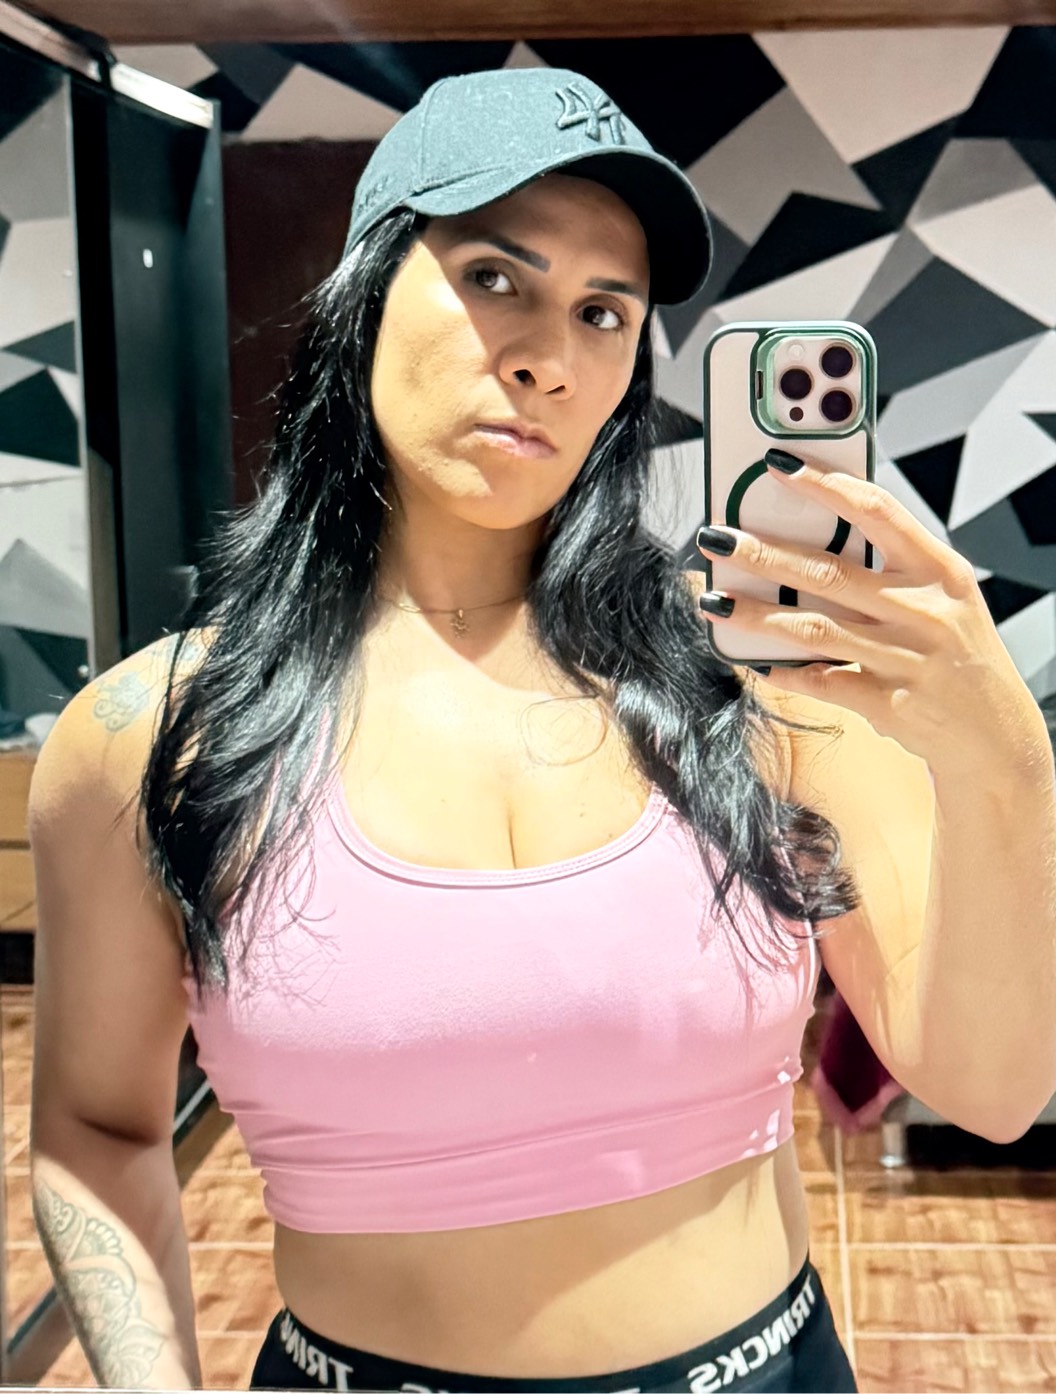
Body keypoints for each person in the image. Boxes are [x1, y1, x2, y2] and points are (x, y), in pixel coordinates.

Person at [26, 66, 889, 1394]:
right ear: (364, 296)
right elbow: (94, 1126)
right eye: (495, 276)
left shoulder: (740, 692)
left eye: (604, 311)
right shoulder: (151, 734)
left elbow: (976, 1070)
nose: (550, 355)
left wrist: (970, 721)